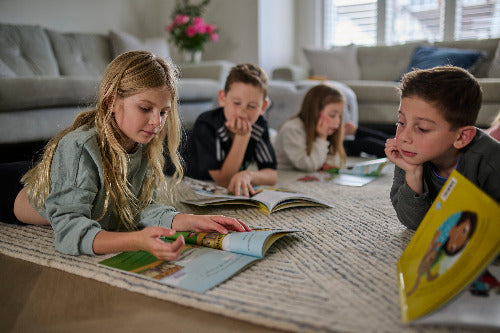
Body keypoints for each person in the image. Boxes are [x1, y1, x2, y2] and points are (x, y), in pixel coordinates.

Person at [2, 51, 250, 259]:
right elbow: (69, 232)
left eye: (164, 112)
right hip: (9, 187)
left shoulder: (142, 144)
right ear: (111, 101)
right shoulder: (80, 148)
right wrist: (134, 240)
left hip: (46, 171)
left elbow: (139, 209)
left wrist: (187, 220)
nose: (156, 122)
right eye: (145, 108)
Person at [385, 65, 500, 230]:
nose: (403, 137)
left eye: (422, 128)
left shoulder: (492, 161)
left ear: (461, 137)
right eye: (401, 122)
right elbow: (413, 223)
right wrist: (413, 174)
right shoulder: (411, 155)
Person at [187, 63, 277, 197]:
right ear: (222, 98)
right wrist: (242, 137)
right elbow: (224, 180)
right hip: (173, 157)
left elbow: (272, 174)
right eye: (236, 103)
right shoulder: (206, 124)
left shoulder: (259, 125)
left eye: (251, 106)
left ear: (263, 107)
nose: (242, 112)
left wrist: (248, 175)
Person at [273, 83, 347, 172]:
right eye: (332, 115)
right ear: (314, 112)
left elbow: (337, 161)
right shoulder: (292, 129)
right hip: (284, 172)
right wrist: (321, 138)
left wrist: (328, 163)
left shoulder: (328, 129)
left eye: (340, 116)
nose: (337, 121)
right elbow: (308, 166)